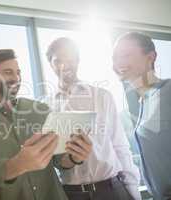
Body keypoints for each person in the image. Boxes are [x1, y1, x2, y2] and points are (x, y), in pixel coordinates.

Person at [0, 49, 92, 200]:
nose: (16, 78)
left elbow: (59, 161)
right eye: (8, 72)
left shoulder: (41, 110)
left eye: (18, 72)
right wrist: (18, 164)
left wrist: (75, 157)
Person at [46, 37, 141, 200]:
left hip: (111, 189)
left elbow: (121, 147)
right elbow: (53, 160)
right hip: (72, 194)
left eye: (69, 59)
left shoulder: (102, 97)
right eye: (58, 61)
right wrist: (71, 158)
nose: (64, 65)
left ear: (77, 60)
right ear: (51, 64)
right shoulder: (45, 107)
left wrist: (133, 193)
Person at [113, 32, 171, 200]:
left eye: (125, 55)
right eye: (115, 57)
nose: (118, 62)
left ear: (151, 57)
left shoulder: (169, 91)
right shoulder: (143, 102)